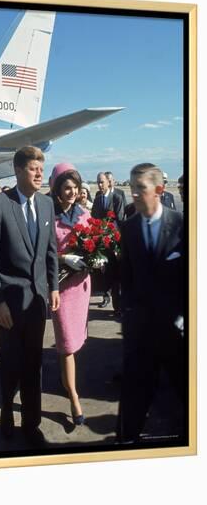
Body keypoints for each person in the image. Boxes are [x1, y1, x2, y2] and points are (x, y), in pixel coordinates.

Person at [0, 146, 60, 447]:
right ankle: (6, 409)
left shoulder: (46, 204)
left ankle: (32, 422)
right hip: (9, 302)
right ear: (17, 171)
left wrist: (53, 286)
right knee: (10, 362)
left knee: (33, 363)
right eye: (33, 168)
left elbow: (51, 250)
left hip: (38, 300)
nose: (40, 173)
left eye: (42, 167)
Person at [117, 163, 185, 443]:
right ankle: (125, 444)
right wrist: (129, 317)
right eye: (131, 188)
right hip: (141, 331)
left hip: (176, 333)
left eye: (140, 189)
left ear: (158, 190)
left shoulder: (182, 225)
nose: (133, 194)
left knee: (185, 392)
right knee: (134, 395)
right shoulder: (129, 229)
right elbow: (127, 277)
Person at [50, 163, 91, 425]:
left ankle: (68, 381)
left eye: (75, 188)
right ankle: (74, 397)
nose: (72, 192)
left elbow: (95, 243)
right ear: (56, 189)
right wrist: (64, 258)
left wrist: (95, 258)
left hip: (82, 286)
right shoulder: (48, 216)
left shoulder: (84, 214)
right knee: (66, 344)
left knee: (76, 341)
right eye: (67, 188)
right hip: (62, 288)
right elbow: (43, 251)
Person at [91, 172, 125, 314]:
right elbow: (93, 217)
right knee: (104, 273)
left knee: (116, 274)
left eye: (102, 182)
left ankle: (118, 306)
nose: (100, 185)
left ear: (108, 182)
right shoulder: (97, 199)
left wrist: (110, 233)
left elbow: (120, 219)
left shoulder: (116, 198)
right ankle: (106, 297)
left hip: (114, 242)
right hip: (101, 242)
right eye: (98, 182)